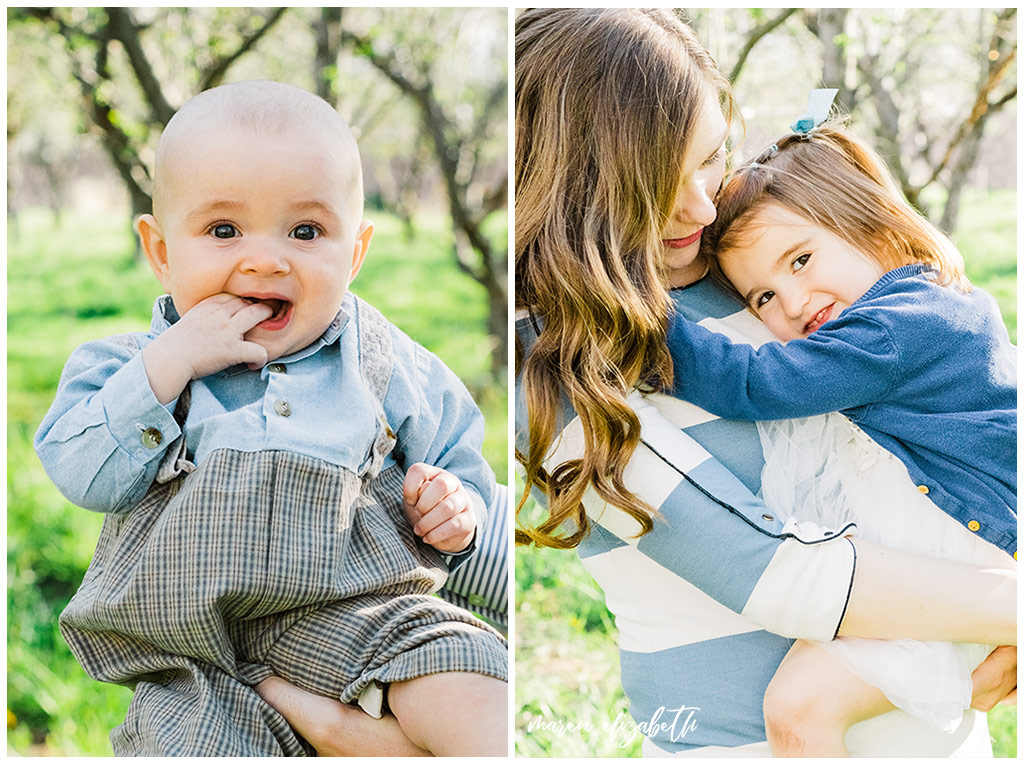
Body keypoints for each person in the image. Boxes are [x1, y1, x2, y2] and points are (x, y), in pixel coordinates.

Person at [515, 7, 1016, 757]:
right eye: (656, 182)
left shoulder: (750, 255)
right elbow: (779, 574)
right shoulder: (561, 362)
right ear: (574, 191)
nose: (702, 206)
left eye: (712, 157)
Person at [35, 80, 507, 757]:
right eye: (223, 231)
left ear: (355, 252)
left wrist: (454, 515)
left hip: (368, 619)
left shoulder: (387, 364)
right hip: (198, 661)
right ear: (163, 252)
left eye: (306, 231)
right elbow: (81, 472)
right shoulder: (125, 369)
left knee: (477, 688)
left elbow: (467, 481)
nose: (266, 258)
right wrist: (169, 365)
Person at [663, 120, 1015, 755]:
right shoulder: (923, 303)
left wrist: (644, 319)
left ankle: (964, 682)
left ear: (872, 227)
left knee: (799, 708)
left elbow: (755, 384)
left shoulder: (894, 328)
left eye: (800, 260)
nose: (793, 301)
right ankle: (966, 685)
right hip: (956, 545)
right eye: (763, 295)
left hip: (961, 550)